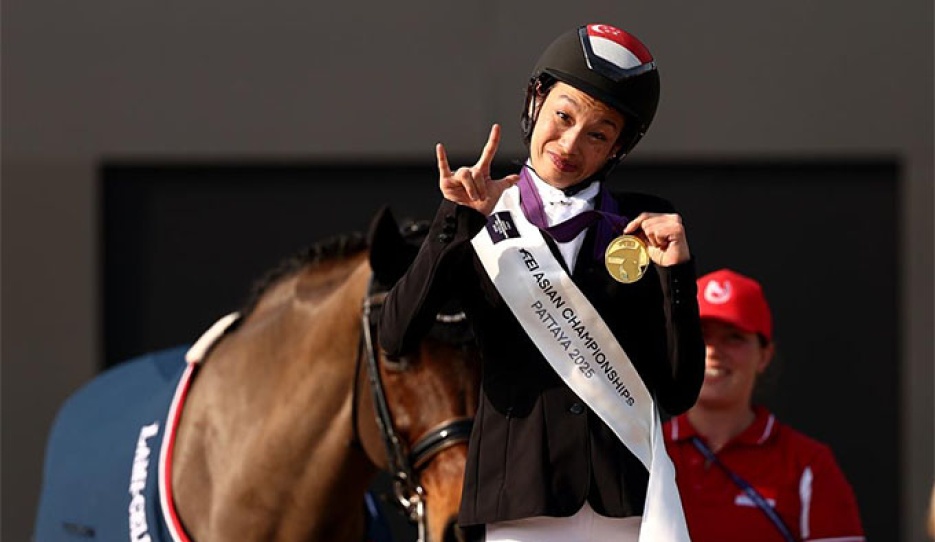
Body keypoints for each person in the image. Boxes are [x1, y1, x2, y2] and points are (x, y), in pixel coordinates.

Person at [379, 23, 704, 542]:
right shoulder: (482, 213)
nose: (571, 143)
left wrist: (677, 277)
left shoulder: (646, 224)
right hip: (519, 498)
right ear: (535, 101)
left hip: (623, 501)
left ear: (618, 147)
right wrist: (453, 221)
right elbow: (396, 336)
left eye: (598, 133)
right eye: (564, 115)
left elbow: (679, 390)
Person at [664, 268, 865, 541]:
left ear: (764, 356)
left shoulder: (808, 464)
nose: (712, 351)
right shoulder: (646, 454)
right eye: (701, 334)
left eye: (733, 337)